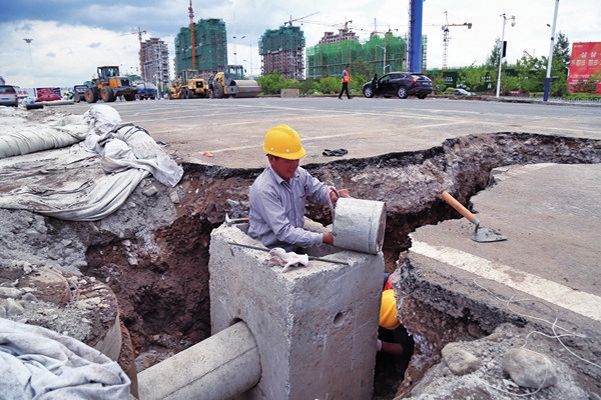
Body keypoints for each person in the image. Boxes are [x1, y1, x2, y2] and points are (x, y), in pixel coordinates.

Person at [248, 124, 349, 252]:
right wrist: (324, 238)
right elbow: (284, 232)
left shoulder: (299, 174)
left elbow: (316, 190)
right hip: (270, 251)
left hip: (295, 245)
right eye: (288, 161)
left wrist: (331, 194)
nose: (294, 165)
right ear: (272, 159)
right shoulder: (264, 190)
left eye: (297, 160)